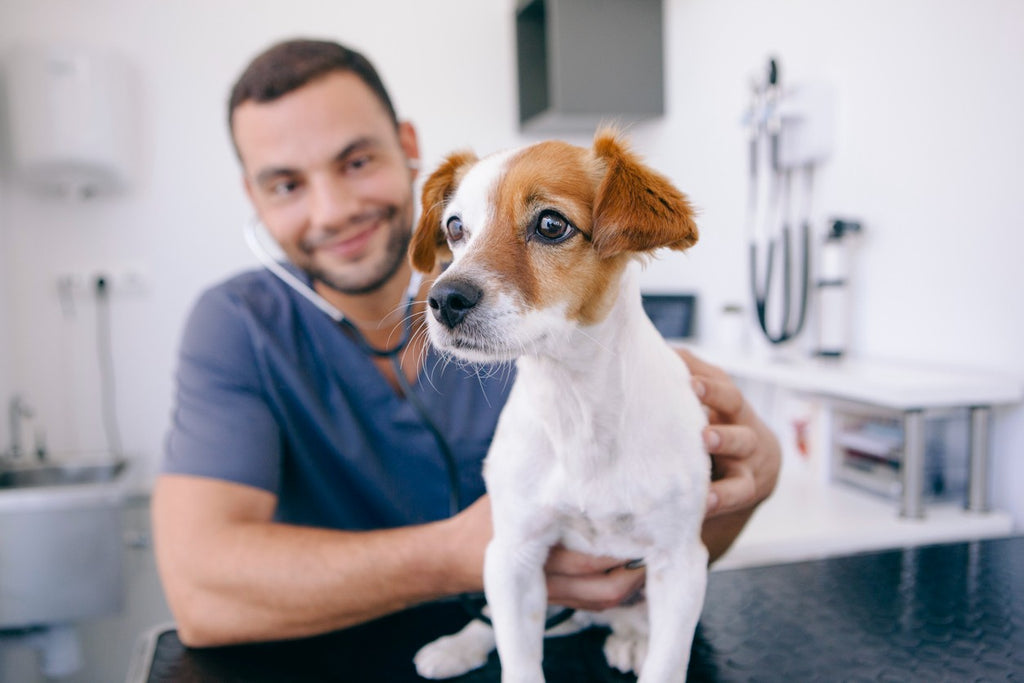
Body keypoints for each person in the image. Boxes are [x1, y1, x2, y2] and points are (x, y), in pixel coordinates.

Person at [152, 38, 781, 668]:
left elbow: (657, 551)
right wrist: (464, 552)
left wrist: (759, 472)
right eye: (285, 184)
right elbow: (201, 598)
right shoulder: (237, 325)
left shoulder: (589, 342)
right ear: (252, 196)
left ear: (406, 146)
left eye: (356, 161)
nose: (333, 210)